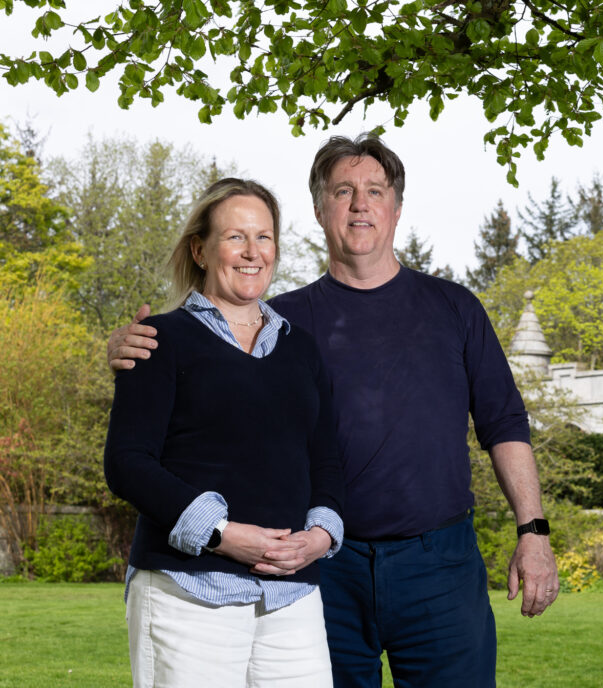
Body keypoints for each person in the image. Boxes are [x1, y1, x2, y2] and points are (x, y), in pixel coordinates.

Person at [107, 135, 559, 688]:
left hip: (438, 564)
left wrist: (533, 530)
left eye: (375, 191)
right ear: (320, 210)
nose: (360, 204)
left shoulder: (453, 309)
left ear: (396, 207)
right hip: (322, 570)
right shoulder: (282, 323)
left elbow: (505, 423)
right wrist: (132, 347)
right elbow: (198, 367)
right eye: (343, 191)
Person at [104, 178, 345, 687]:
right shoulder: (159, 340)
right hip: (188, 591)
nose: (252, 252)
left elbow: (326, 459)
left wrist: (319, 537)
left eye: (264, 237)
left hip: (292, 595)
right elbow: (127, 463)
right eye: (235, 237)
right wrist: (222, 535)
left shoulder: (300, 348)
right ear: (200, 249)